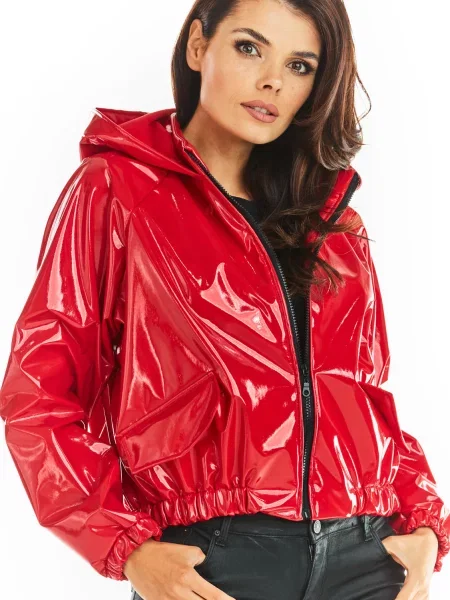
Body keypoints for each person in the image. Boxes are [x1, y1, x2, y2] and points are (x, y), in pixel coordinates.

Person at [0, 0, 449, 599]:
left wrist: (423, 519)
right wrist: (124, 547)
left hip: (368, 556)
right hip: (217, 560)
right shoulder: (118, 191)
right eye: (249, 48)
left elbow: (364, 394)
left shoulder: (335, 222)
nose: (272, 81)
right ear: (197, 46)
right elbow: (40, 394)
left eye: (299, 65)